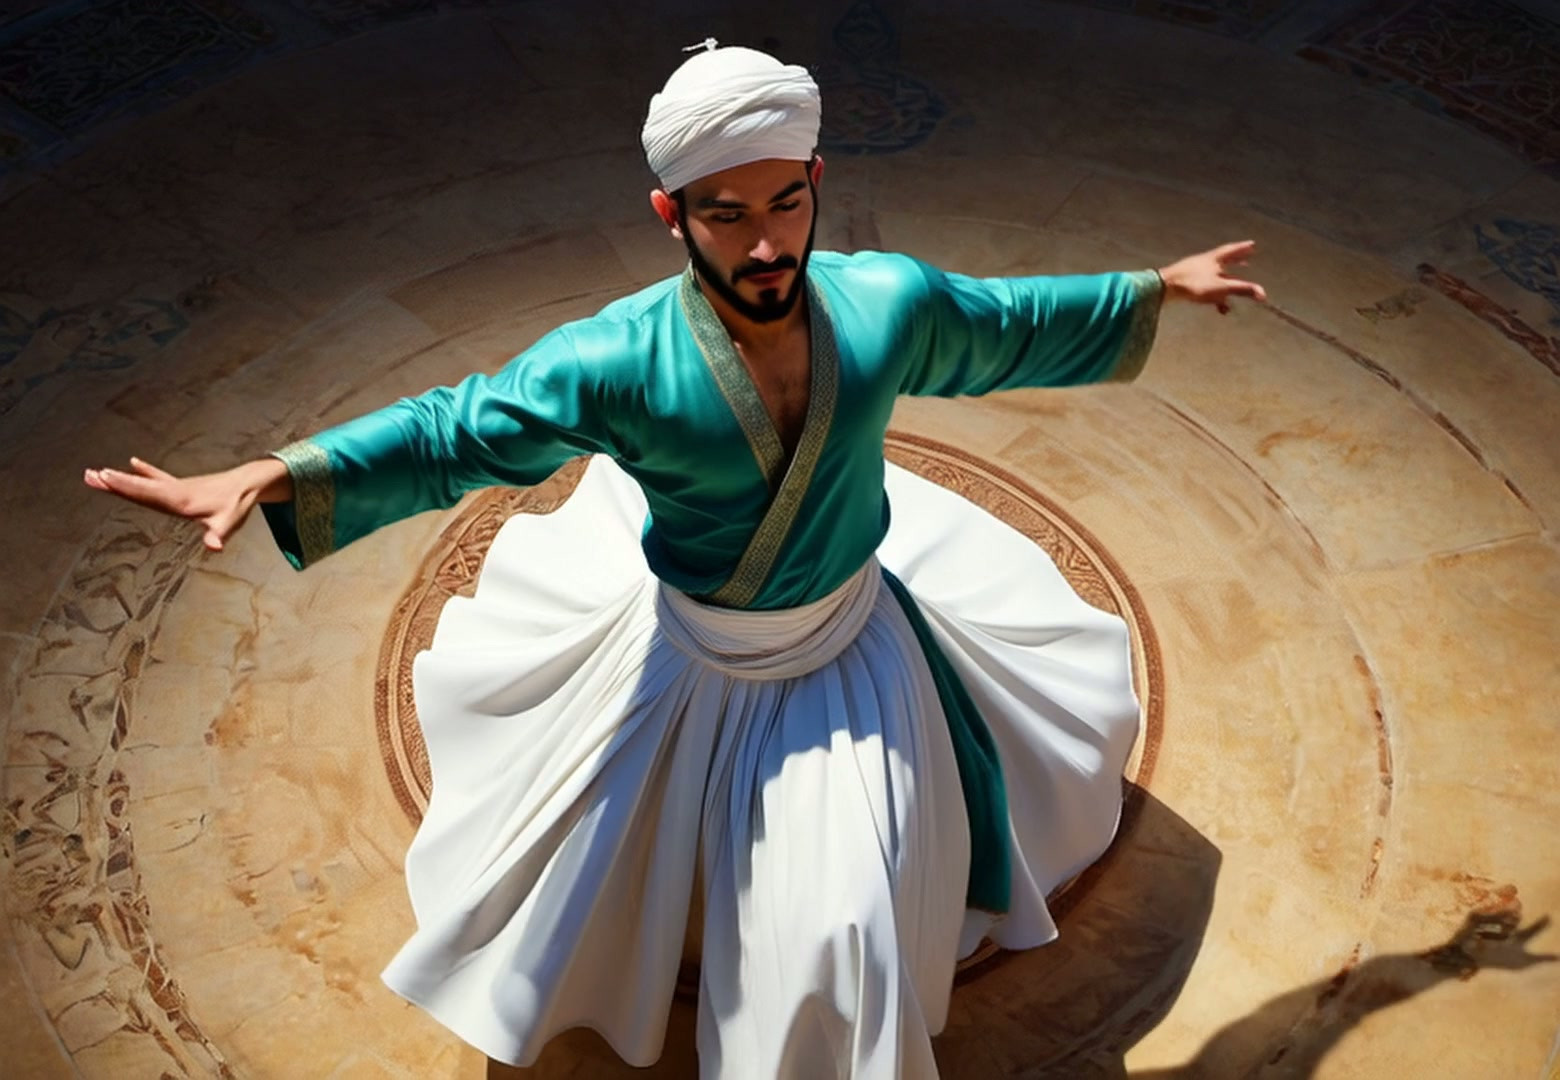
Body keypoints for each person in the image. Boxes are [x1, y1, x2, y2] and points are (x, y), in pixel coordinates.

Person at [85, 42, 1266, 1080]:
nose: (766, 243)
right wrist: (275, 472)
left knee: (842, 938)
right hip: (701, 647)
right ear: (671, 213)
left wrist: (1153, 288)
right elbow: (457, 430)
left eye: (786, 204)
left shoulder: (887, 301)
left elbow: (1003, 326)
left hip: (858, 642)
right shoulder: (614, 362)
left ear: (817, 182)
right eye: (725, 214)